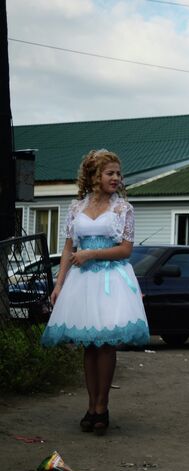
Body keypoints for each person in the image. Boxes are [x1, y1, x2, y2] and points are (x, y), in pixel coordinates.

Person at [41, 149, 149, 436]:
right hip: (82, 282)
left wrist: (92, 254)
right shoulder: (76, 207)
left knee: (105, 344)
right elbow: (68, 248)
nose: (116, 178)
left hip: (111, 279)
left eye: (117, 173)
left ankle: (103, 407)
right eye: (109, 173)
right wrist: (60, 283)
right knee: (88, 345)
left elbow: (126, 249)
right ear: (93, 176)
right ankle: (91, 406)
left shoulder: (123, 208)